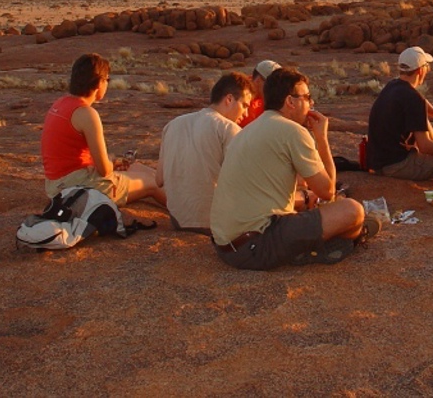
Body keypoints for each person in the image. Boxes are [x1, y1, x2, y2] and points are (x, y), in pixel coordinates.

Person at [210, 67, 377, 270]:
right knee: (353, 211)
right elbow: (328, 192)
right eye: (307, 97)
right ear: (290, 101)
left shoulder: (248, 130)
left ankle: (338, 235)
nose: (311, 103)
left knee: (308, 207)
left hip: (226, 246)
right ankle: (340, 238)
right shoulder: (293, 131)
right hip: (256, 247)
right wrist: (322, 139)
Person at [40, 53, 165, 206]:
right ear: (99, 83)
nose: (107, 84)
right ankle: (188, 214)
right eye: (107, 79)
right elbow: (105, 171)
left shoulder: (60, 103)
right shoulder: (87, 114)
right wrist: (110, 163)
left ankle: (186, 195)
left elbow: (72, 154)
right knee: (152, 183)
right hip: (75, 189)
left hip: (57, 185)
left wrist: (112, 161)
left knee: (138, 168)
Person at [156, 72, 253, 235]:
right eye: (244, 105)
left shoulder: (172, 124)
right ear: (229, 99)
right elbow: (245, 182)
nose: (246, 114)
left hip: (178, 220)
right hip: (214, 223)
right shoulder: (229, 129)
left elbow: (159, 180)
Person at [366, 46, 433, 179]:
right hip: (396, 165)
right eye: (427, 67)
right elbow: (425, 147)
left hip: (379, 161)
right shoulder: (412, 98)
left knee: (424, 120)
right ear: (420, 70)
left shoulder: (393, 85)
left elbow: (421, 101)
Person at [238, 59, 281, 127]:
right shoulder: (238, 96)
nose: (275, 90)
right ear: (258, 81)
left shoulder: (265, 99)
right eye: (272, 85)